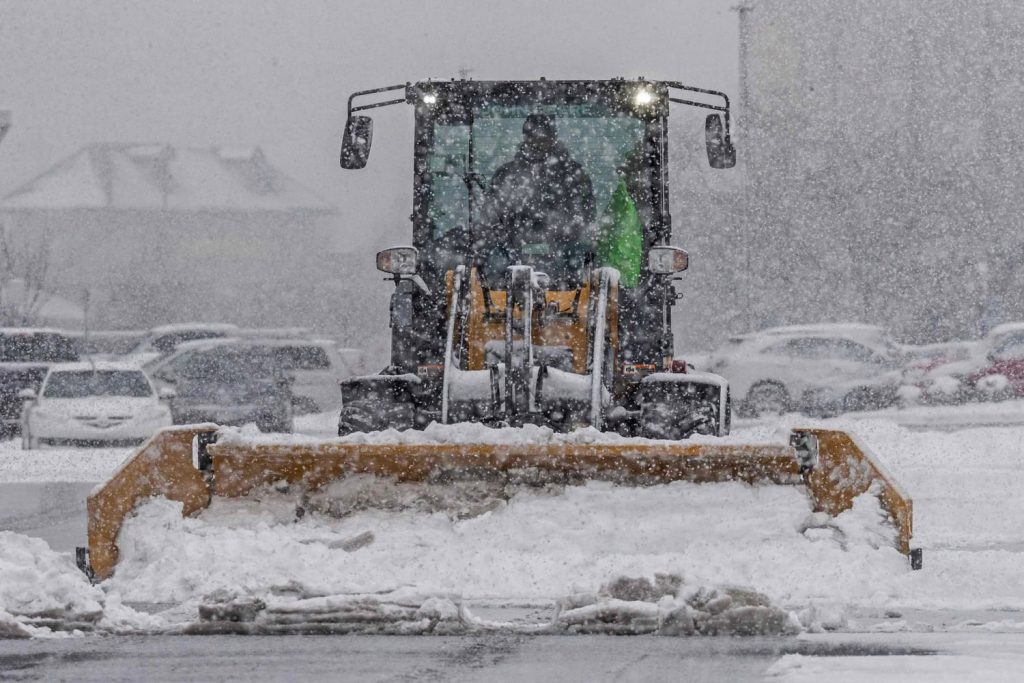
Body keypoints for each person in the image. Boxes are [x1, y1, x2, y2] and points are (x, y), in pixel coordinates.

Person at [476, 114, 595, 287]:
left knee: (579, 263)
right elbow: (491, 214)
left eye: (543, 137)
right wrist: (507, 233)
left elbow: (585, 213)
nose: (537, 142)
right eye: (532, 137)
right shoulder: (506, 174)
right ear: (525, 138)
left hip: (562, 247)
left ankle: (576, 299)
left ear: (553, 137)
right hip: (512, 247)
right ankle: (491, 302)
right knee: (493, 262)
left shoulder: (574, 174)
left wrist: (563, 231)